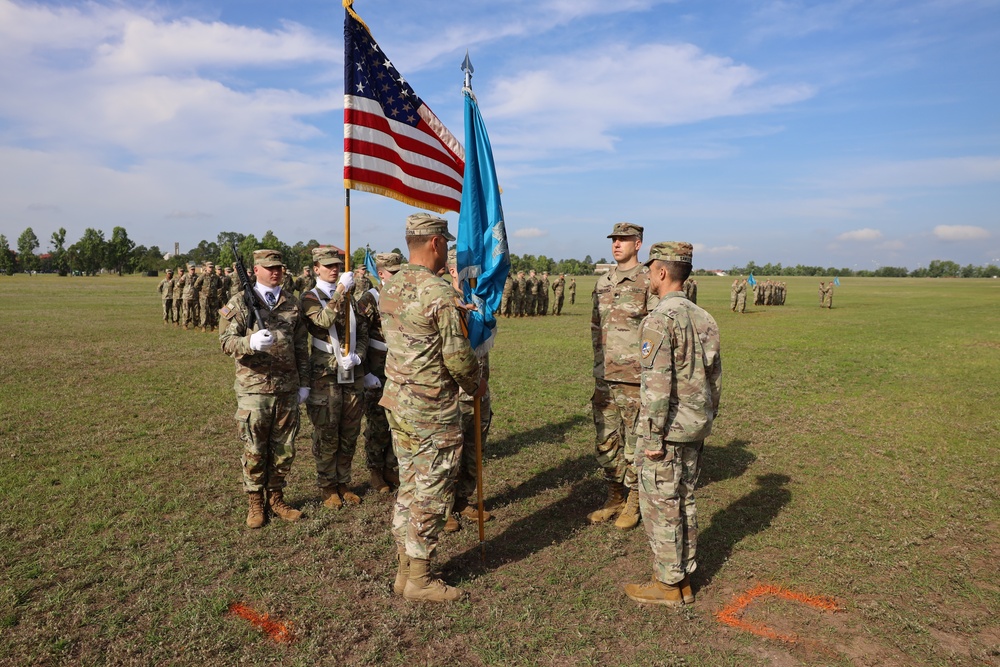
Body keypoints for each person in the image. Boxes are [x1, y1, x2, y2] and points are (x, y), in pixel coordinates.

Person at [379, 213, 485, 602]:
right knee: (433, 490)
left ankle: (405, 571)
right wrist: (476, 384)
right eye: (448, 244)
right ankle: (420, 579)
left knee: (409, 485)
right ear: (436, 243)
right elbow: (457, 358)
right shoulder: (437, 292)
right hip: (430, 409)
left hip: (398, 402)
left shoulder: (391, 287)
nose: (448, 251)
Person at [624, 241, 721, 607]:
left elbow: (657, 385)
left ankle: (667, 584)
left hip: (667, 431)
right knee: (684, 499)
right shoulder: (704, 317)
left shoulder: (660, 319)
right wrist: (708, 417)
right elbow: (715, 378)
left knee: (661, 505)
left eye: (650, 269)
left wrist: (651, 436)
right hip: (695, 426)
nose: (648, 275)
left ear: (662, 272)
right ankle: (682, 576)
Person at [219, 249, 310, 528]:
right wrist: (250, 343)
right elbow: (225, 342)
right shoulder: (239, 303)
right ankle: (255, 501)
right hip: (254, 389)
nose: (275, 272)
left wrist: (304, 383)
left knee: (284, 448)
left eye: (279, 268)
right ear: (255, 270)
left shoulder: (292, 303)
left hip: (286, 388)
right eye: (269, 268)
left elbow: (300, 347)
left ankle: (276, 497)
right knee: (255, 448)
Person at [590, 222, 658, 531]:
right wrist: (598, 366)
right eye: (614, 239)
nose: (617, 244)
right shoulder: (603, 282)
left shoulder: (648, 281)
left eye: (625, 239)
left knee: (635, 442)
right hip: (605, 375)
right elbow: (596, 327)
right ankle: (614, 495)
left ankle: (633, 501)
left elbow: (658, 331)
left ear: (638, 243)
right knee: (606, 439)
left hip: (634, 377)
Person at [299, 247, 369, 509]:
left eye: (337, 265)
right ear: (316, 268)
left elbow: (362, 332)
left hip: (351, 372)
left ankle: (344, 482)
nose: (334, 269)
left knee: (349, 430)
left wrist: (359, 356)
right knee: (327, 430)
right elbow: (322, 320)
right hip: (324, 375)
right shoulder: (309, 297)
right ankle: (328, 486)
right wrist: (340, 291)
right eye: (327, 265)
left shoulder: (352, 297)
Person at [443, 249, 493, 533]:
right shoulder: (443, 301)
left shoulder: (481, 301)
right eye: (469, 270)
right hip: (453, 392)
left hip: (479, 388)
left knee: (475, 447)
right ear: (454, 270)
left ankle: (463, 499)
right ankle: (444, 506)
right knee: (450, 451)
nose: (476, 274)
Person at [356, 252, 402, 495]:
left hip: (401, 367)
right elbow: (359, 336)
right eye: (393, 273)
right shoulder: (370, 299)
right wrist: (364, 372)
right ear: (381, 273)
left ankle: (390, 465)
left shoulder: (405, 294)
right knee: (377, 421)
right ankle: (375, 469)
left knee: (398, 421)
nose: (397, 277)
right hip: (377, 368)